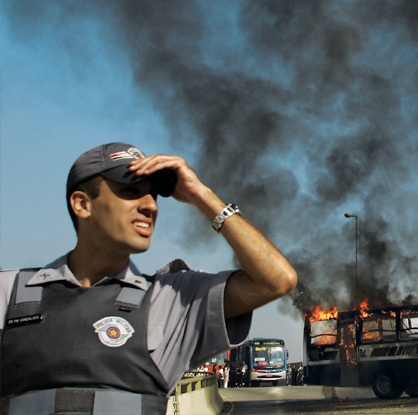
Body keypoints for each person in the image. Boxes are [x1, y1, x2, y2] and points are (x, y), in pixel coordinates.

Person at [0, 142, 297, 414]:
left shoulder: (171, 298)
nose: (151, 206)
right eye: (130, 192)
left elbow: (276, 280)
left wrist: (201, 196)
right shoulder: (9, 294)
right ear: (82, 204)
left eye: (153, 195)